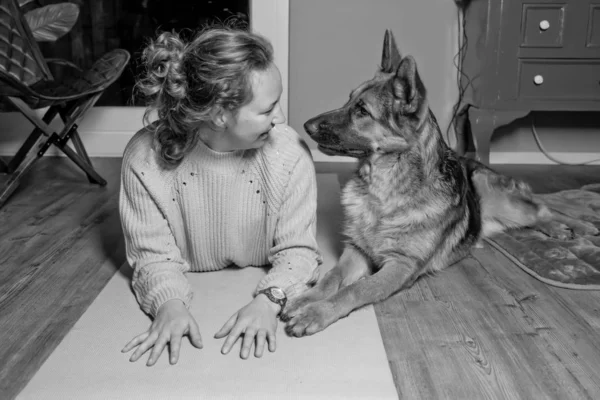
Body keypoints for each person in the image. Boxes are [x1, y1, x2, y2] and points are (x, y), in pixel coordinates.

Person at [118, 23, 322, 366]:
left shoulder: (290, 154)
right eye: (267, 109)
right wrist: (168, 305)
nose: (282, 118)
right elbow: (152, 256)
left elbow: (299, 250)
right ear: (218, 114)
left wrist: (270, 300)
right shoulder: (144, 159)